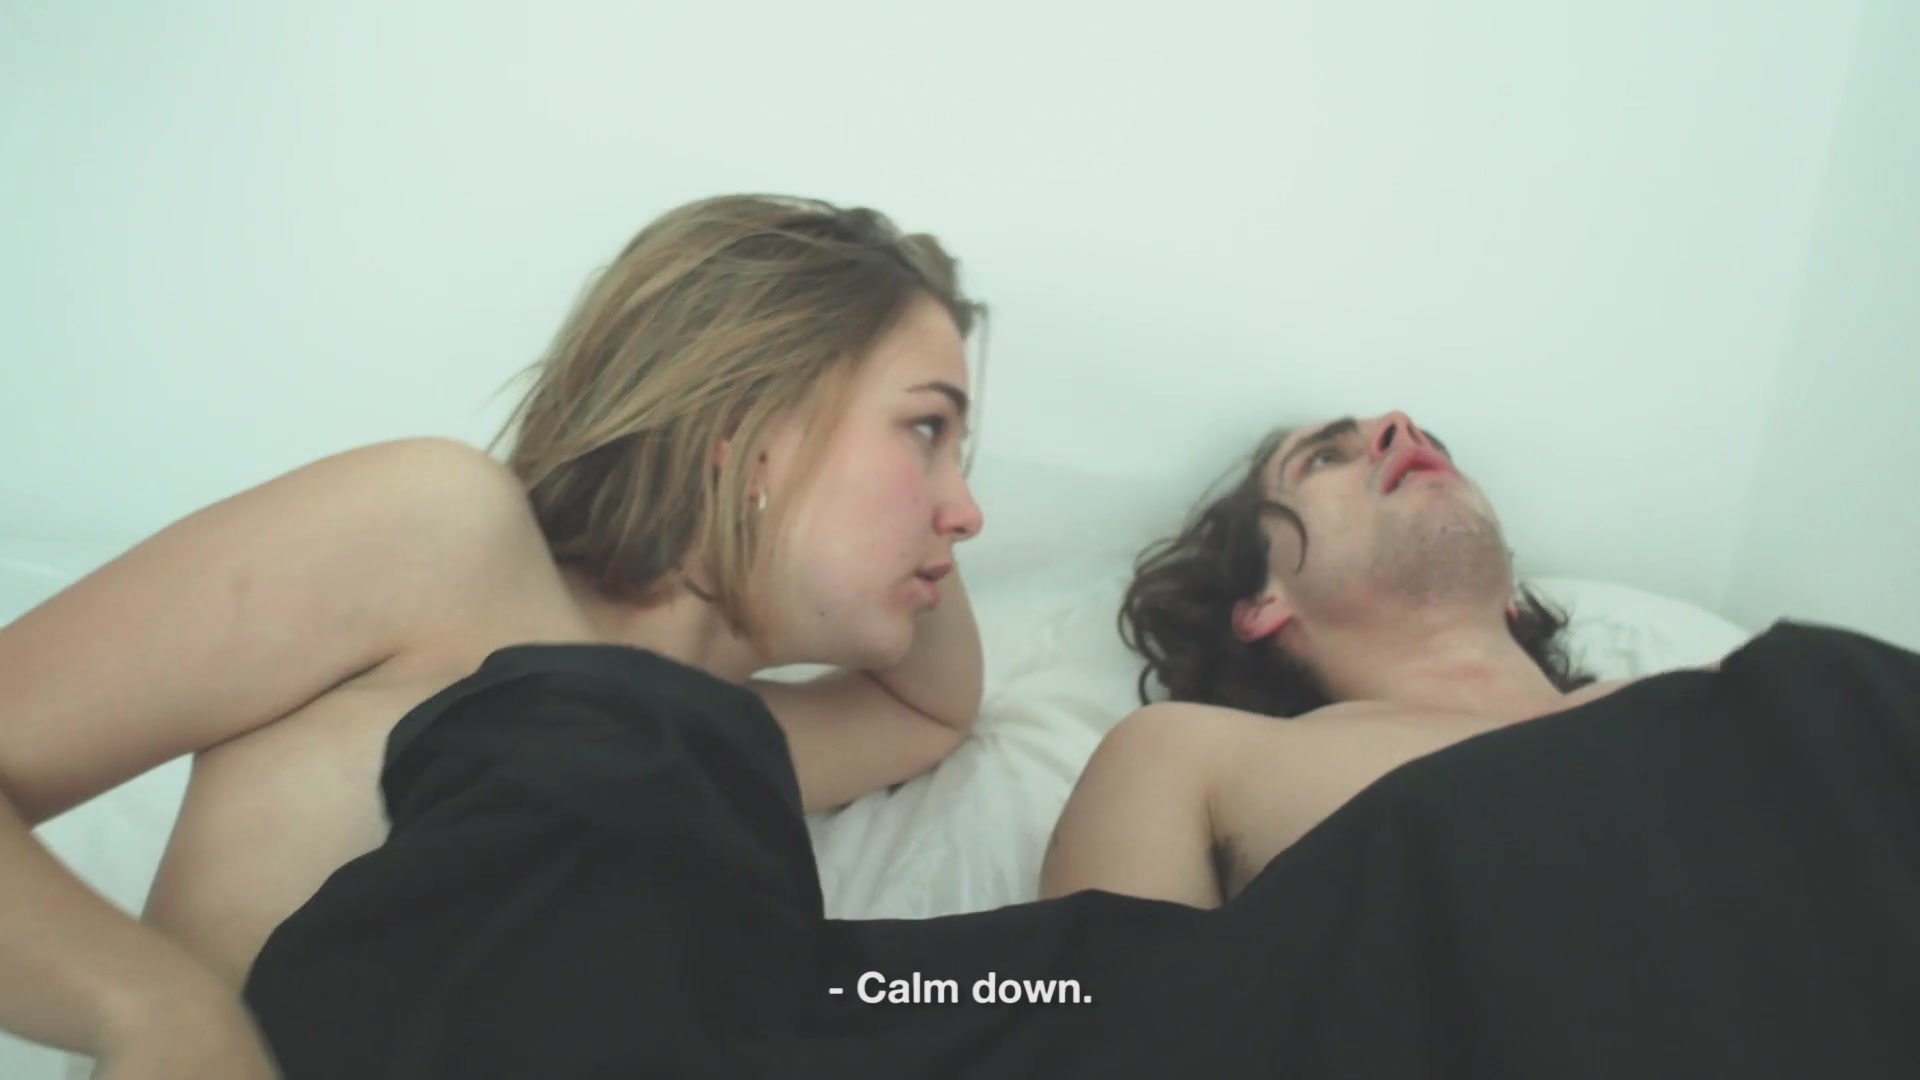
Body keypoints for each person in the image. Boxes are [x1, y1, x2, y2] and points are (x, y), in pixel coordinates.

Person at [0, 194, 989, 1078]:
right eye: (925, 431)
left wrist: (895, 506)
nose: (968, 511)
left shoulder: (723, 740)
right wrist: (155, 1010)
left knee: (1063, 978)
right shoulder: (442, 539)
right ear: (751, 428)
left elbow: (930, 709)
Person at [1039, 409, 1674, 907]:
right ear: (1262, 602)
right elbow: (1093, 1015)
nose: (1403, 427)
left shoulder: (1703, 699)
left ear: (1509, 588)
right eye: (1325, 458)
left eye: (1432, 445)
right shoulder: (1190, 760)